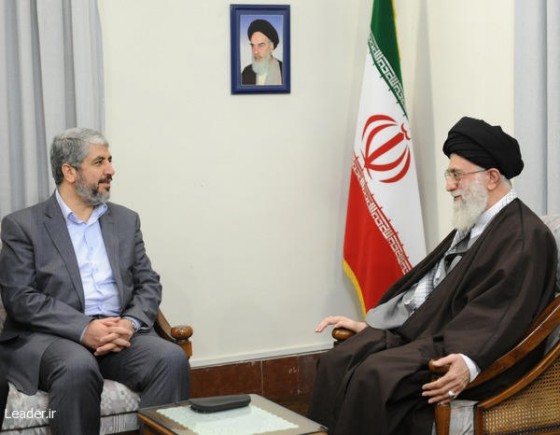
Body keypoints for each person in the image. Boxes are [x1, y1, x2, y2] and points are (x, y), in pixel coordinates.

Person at [308, 117, 558, 434]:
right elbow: (434, 291)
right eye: (448, 174)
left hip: (467, 352)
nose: (449, 185)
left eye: (457, 175)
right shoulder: (476, 223)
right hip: (433, 335)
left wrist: (469, 361)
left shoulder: (523, 237)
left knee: (375, 375)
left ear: (492, 177)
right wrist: (376, 326)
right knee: (338, 361)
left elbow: (502, 313)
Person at [0, 128, 190, 434]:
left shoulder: (125, 220)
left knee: (170, 358)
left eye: (110, 160)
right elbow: (20, 298)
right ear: (69, 172)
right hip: (53, 339)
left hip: (118, 335)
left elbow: (148, 283)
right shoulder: (23, 226)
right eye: (99, 162)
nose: (111, 170)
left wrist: (129, 323)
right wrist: (84, 328)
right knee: (77, 366)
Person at [241, 18, 283, 86]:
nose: (255, 52)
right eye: (253, 45)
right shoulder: (246, 72)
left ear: (271, 46)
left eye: (261, 45)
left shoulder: (285, 70)